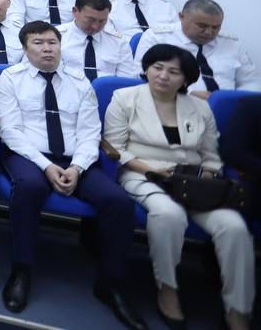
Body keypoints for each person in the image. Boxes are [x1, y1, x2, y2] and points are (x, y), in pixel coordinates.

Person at [0, 21, 144, 323]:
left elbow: (90, 132)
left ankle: (111, 283)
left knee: (118, 202)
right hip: (29, 155)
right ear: (25, 48)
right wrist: (47, 166)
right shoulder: (10, 78)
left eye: (52, 42)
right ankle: (22, 268)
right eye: (38, 43)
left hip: (76, 158)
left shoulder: (79, 81)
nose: (47, 49)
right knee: (31, 188)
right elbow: (10, 132)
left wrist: (76, 167)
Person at [103, 44, 254, 330]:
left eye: (173, 72)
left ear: (186, 79)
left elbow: (210, 154)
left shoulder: (200, 107)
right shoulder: (125, 98)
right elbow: (114, 147)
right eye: (157, 68)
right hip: (143, 173)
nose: (163, 76)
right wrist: (152, 171)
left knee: (233, 226)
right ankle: (167, 288)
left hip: (192, 180)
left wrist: (207, 177)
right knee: (168, 214)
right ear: (146, 68)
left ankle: (238, 308)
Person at [138, 0, 256, 95]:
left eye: (216, 27)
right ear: (182, 17)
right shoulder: (157, 37)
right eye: (202, 26)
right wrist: (186, 96)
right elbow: (140, 77)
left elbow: (251, 82)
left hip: (227, 107)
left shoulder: (232, 44)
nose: (209, 32)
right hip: (174, 104)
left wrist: (237, 101)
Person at [58, 0, 138, 80]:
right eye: (90, 20)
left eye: (102, 21)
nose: (95, 26)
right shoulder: (57, 38)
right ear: (75, 11)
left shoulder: (118, 42)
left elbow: (126, 80)